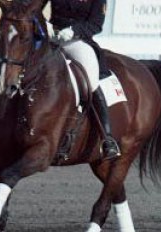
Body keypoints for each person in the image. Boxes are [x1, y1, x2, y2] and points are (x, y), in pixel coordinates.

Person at [43, 0, 121, 159]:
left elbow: (96, 24)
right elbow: (34, 6)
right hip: (51, 38)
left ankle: (107, 138)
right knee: (22, 66)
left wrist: (74, 31)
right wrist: (44, 23)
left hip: (76, 41)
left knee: (91, 82)